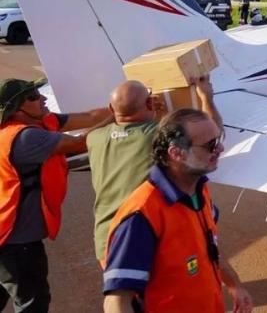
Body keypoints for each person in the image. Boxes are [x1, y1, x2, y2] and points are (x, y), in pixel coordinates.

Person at [102, 108, 252, 312]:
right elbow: (117, 300)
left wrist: (234, 284)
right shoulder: (142, 215)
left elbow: (209, 246)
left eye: (218, 140)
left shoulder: (199, 191)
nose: (221, 148)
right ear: (176, 153)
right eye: (211, 145)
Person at [0, 78, 112, 312]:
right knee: (34, 303)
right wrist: (132, 113)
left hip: (6, 237)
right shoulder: (25, 137)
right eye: (32, 97)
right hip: (16, 242)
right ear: (15, 109)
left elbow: (90, 117)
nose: (42, 98)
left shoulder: (37, 124)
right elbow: (82, 143)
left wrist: (118, 109)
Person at [87, 77, 218, 263]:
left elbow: (123, 126)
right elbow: (211, 137)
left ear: (111, 109)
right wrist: (206, 98)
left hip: (106, 240)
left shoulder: (94, 138)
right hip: (146, 235)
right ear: (149, 103)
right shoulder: (155, 136)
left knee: (126, 289)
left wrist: (124, 110)